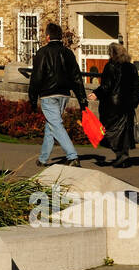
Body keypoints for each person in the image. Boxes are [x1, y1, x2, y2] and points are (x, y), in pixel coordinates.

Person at [27, 22, 93, 166]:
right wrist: (82, 99)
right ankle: (43, 158)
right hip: (64, 94)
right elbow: (76, 77)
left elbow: (36, 78)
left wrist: (32, 99)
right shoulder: (68, 53)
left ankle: (72, 156)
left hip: (48, 94)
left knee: (56, 125)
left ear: (48, 37)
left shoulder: (42, 52)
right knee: (51, 125)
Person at [95, 42, 139, 168]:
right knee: (124, 131)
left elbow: (106, 86)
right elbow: (136, 86)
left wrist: (96, 93)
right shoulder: (131, 67)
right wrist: (135, 101)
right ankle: (123, 156)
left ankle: (121, 155)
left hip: (113, 105)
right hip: (128, 105)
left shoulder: (111, 66)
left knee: (110, 131)